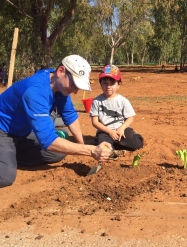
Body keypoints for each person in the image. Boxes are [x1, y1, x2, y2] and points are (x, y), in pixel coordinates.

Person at [0, 55, 113, 188]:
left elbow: (69, 114)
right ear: (61, 71)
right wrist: (91, 150)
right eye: (74, 85)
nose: (75, 91)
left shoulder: (58, 85)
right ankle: (6, 161)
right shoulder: (35, 91)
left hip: (22, 132)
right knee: (5, 177)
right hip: (3, 132)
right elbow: (48, 140)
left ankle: (9, 157)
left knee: (58, 153)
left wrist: (81, 144)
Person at [90, 65, 144, 153]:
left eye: (112, 83)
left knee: (136, 145)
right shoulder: (96, 101)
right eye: (105, 83)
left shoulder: (123, 101)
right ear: (101, 84)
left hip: (121, 129)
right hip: (105, 131)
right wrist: (110, 131)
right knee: (104, 149)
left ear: (119, 84)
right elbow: (95, 122)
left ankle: (135, 136)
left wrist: (122, 128)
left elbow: (130, 118)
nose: (108, 86)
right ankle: (108, 143)